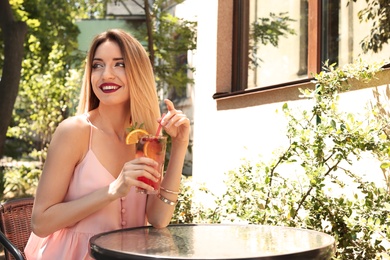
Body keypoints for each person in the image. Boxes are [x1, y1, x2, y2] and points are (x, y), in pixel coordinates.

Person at [24, 29, 190, 259]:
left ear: (137, 72)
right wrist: (112, 190)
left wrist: (180, 144)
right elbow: (40, 223)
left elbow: (159, 219)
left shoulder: (146, 137)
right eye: (97, 65)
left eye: (119, 64)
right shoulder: (74, 131)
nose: (106, 75)